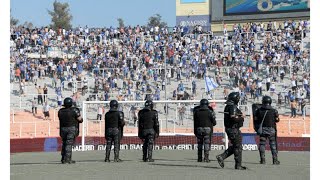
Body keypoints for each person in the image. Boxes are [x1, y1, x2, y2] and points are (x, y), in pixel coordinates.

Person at [216, 92, 247, 170]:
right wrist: (242, 117)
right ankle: (238, 165)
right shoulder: (232, 106)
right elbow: (233, 118)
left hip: (231, 129)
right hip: (233, 129)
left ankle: (222, 157)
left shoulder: (228, 106)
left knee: (236, 146)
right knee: (238, 147)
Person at [254, 96, 280, 165]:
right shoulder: (274, 110)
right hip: (271, 129)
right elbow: (277, 120)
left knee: (262, 144)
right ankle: (275, 160)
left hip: (263, 130)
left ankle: (262, 160)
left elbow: (256, 120)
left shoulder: (259, 110)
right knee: (273, 144)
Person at [58, 97, 83, 164]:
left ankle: (63, 158)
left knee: (64, 144)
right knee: (69, 144)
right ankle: (68, 159)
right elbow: (80, 119)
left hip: (63, 129)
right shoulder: (74, 110)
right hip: (71, 129)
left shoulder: (60, 111)